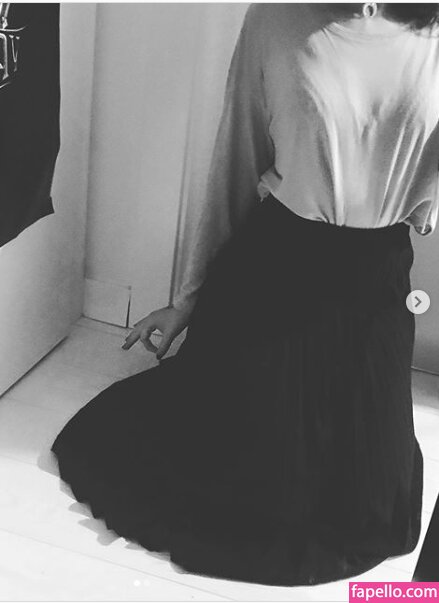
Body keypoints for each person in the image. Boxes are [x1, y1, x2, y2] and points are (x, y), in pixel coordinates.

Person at [52, 3, 439, 586]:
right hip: (276, 273)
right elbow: (235, 162)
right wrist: (187, 300)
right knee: (239, 492)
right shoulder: (277, 19)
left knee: (372, 504)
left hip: (376, 280)